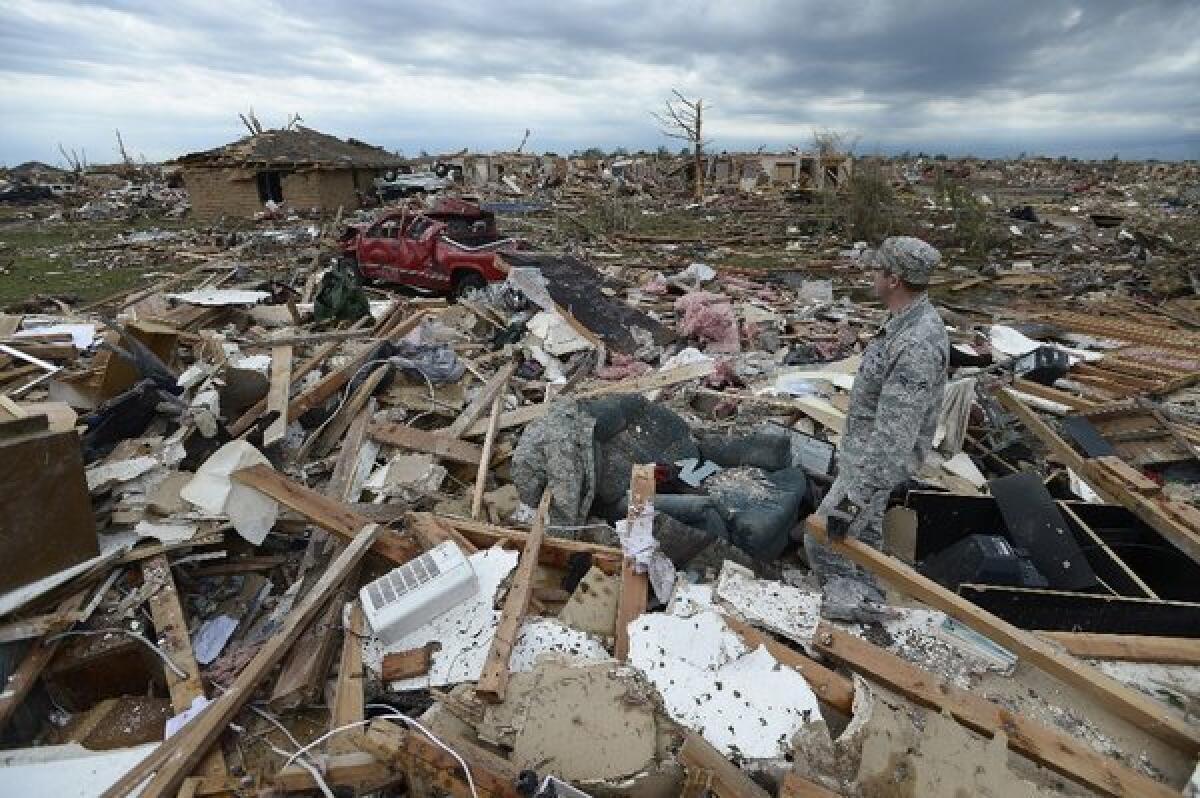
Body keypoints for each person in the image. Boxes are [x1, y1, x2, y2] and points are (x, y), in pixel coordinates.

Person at [805, 236, 949, 621]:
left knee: (823, 538)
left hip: (873, 466)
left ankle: (850, 615)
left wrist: (855, 497)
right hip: (864, 461)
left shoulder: (916, 344)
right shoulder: (904, 323)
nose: (871, 276)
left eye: (877, 270)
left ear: (895, 279)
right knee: (863, 541)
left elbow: (894, 436)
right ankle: (869, 607)